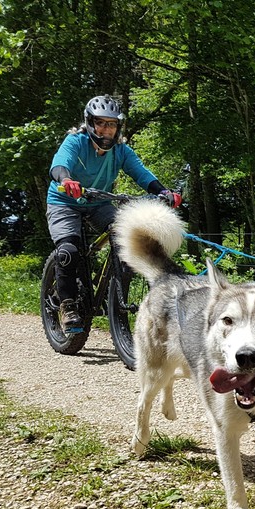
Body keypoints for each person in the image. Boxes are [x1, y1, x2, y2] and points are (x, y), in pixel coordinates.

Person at [45, 94, 182, 332]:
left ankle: (114, 292)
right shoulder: (76, 142)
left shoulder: (121, 151)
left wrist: (163, 192)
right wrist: (66, 179)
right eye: (100, 122)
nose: (106, 129)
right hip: (63, 201)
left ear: (118, 127)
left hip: (98, 203)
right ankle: (67, 305)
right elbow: (59, 163)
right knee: (68, 250)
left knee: (127, 236)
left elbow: (141, 173)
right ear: (90, 123)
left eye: (111, 124)